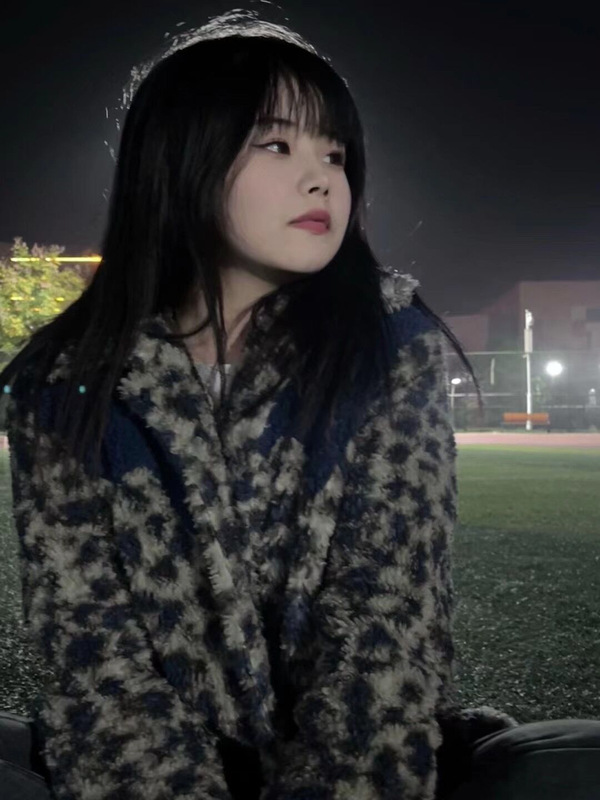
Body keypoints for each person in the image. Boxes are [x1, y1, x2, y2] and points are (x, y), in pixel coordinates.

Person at [1, 11, 599, 800]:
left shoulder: (388, 348)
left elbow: (386, 630)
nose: (322, 179)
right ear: (178, 159)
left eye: (335, 153)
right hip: (143, 768)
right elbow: (92, 649)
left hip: (357, 767)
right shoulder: (63, 383)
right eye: (277, 145)